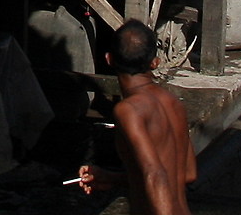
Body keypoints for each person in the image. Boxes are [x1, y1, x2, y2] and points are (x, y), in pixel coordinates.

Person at [76, 21, 195, 215]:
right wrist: (111, 177)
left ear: (108, 59)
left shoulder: (129, 110)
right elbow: (187, 173)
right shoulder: (173, 103)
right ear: (154, 62)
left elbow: (155, 174)